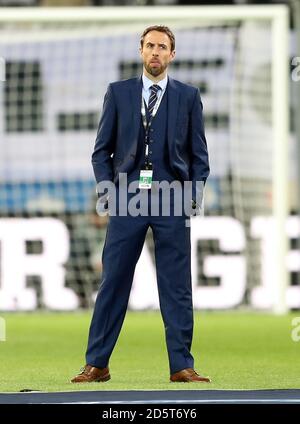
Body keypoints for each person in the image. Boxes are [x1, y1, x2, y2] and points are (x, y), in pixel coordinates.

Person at [71, 25, 210, 384]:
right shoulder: (118, 93)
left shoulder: (188, 96)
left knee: (176, 285)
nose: (155, 52)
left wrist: (191, 197)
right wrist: (109, 193)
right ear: (140, 50)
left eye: (162, 47)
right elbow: (101, 152)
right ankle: (96, 363)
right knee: (114, 281)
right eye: (150, 45)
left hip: (172, 200)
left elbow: (199, 156)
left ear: (172, 55)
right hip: (127, 199)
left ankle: (181, 365)